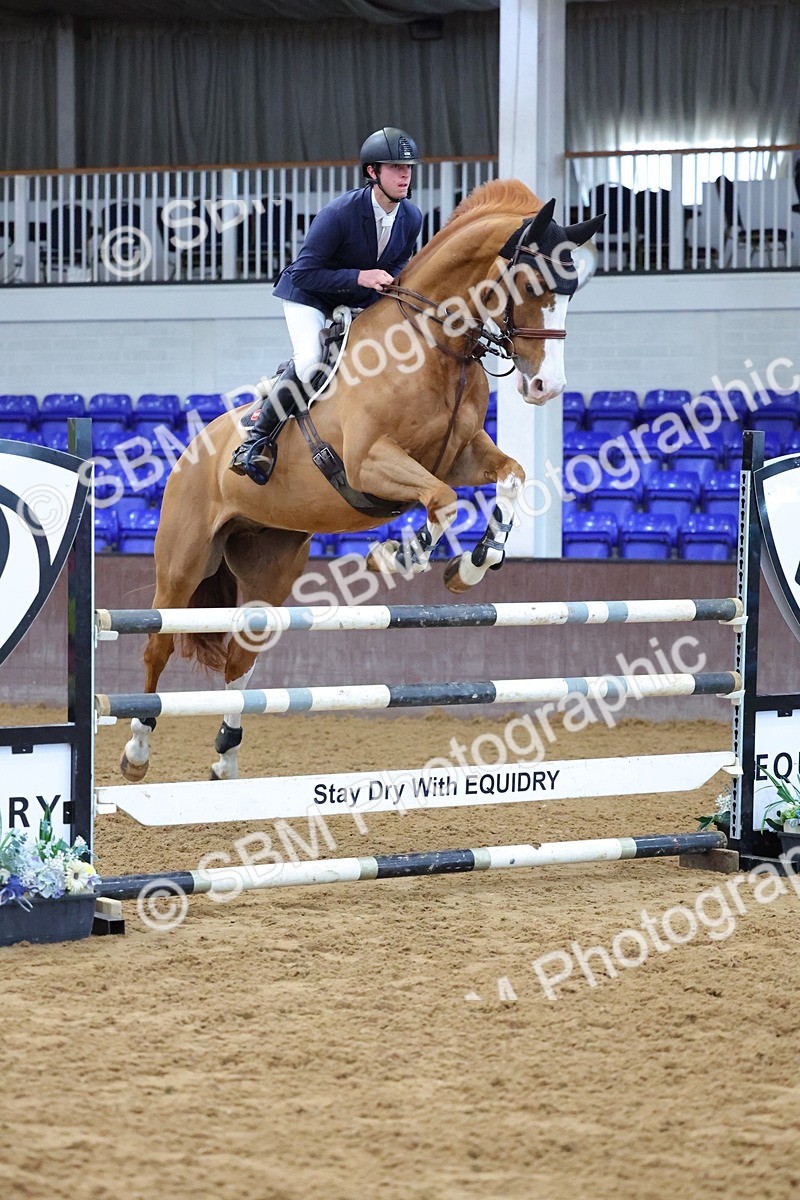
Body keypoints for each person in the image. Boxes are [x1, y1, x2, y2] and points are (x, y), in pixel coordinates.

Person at [230, 126, 423, 483]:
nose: (404, 175)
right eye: (395, 168)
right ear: (372, 172)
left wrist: (388, 280)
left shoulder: (412, 217)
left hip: (358, 300)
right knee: (310, 361)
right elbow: (304, 272)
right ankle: (254, 440)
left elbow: (398, 261)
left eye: (408, 168)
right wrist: (359, 277)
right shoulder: (340, 214)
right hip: (310, 296)